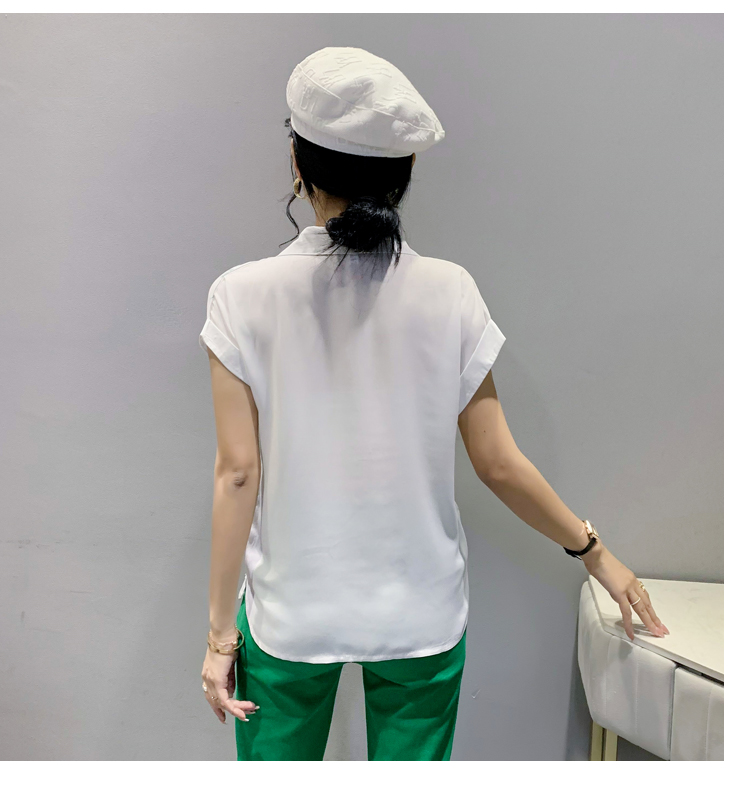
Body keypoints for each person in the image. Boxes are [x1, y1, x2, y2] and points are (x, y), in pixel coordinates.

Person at [198, 46, 669, 762]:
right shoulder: (451, 292)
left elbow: (238, 473)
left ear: (297, 163)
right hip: (419, 616)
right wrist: (594, 552)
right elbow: (498, 462)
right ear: (406, 171)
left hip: (289, 616)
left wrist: (218, 637)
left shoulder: (240, 296)